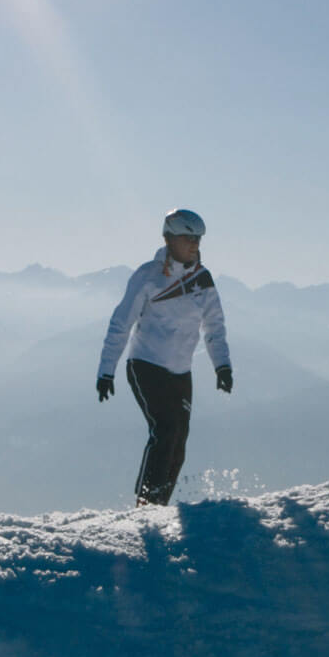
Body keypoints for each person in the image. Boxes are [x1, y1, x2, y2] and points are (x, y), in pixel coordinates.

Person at [95, 208, 233, 506]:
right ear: (169, 238)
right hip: (146, 366)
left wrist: (222, 366)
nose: (195, 244)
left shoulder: (203, 280)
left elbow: (215, 327)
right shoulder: (148, 276)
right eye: (188, 237)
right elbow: (121, 322)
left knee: (178, 443)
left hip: (181, 372)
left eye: (198, 238)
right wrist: (107, 370)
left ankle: (160, 507)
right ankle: (145, 506)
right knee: (165, 431)